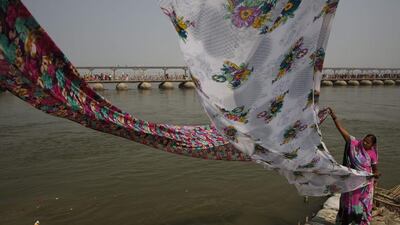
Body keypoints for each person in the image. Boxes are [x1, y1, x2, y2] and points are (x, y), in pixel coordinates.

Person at [328, 108, 381, 225]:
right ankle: (347, 221)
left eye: (368, 143)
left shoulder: (372, 154)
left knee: (362, 204)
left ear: (373, 145)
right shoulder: (355, 144)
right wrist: (334, 118)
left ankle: (359, 222)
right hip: (352, 181)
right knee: (348, 202)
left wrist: (376, 176)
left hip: (365, 184)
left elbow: (376, 171)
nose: (364, 143)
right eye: (364, 140)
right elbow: (342, 131)